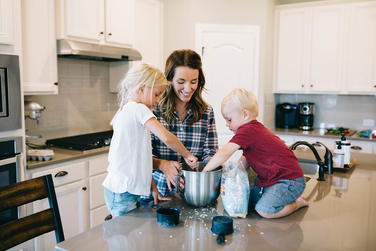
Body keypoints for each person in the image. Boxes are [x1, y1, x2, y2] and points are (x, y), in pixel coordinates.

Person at [102, 63, 198, 217]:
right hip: (122, 192)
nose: (159, 100)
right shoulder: (139, 109)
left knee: (128, 236)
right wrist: (187, 155)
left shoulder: (127, 109)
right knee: (123, 237)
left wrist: (152, 186)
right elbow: (166, 137)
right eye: (157, 94)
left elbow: (140, 156)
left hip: (123, 190)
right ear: (141, 88)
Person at [202, 88, 309, 219]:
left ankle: (297, 203)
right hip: (271, 180)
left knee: (264, 210)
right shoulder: (253, 131)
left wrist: (205, 170)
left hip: (288, 180)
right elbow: (245, 159)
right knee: (245, 199)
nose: (226, 124)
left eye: (229, 119)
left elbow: (225, 151)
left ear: (245, 114)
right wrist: (233, 174)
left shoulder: (247, 130)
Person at [141, 49, 218, 203]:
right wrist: (162, 164)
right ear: (169, 79)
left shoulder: (206, 112)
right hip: (156, 194)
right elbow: (142, 156)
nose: (188, 89)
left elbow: (210, 154)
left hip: (195, 194)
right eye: (181, 82)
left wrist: (203, 172)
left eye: (193, 82)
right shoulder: (152, 110)